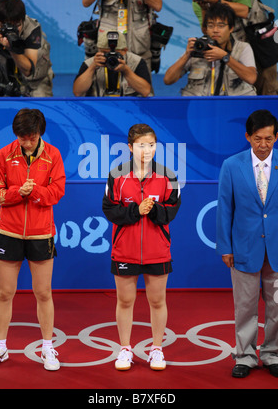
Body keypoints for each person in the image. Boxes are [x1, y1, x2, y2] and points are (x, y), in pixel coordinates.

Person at [0, 108, 66, 371]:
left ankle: (48, 347)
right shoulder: (4, 155)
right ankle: (0, 347)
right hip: (9, 232)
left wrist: (36, 192)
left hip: (41, 234)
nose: (26, 142)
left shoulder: (53, 156)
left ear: (39, 132)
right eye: (22, 137)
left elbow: (57, 191)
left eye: (30, 137)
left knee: (43, 292)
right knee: (5, 293)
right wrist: (19, 192)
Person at [102, 124, 181, 371]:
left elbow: (172, 210)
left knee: (157, 300)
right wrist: (136, 211)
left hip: (158, 250)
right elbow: (109, 209)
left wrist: (154, 210)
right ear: (130, 147)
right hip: (125, 249)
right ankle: (125, 348)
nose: (146, 151)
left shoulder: (169, 176)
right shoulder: (116, 175)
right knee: (125, 300)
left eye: (151, 145)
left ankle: (156, 348)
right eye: (141, 146)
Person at [216, 109, 278, 378]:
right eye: (257, 138)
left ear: (276, 137)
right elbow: (224, 209)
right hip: (243, 248)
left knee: (277, 307)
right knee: (245, 306)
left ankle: (273, 353)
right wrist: (225, 247)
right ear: (247, 137)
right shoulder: (231, 166)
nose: (263, 144)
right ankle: (245, 355)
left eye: (268, 138)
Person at [187, 0, 278, 95]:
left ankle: (270, 115)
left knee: (267, 85)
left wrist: (216, 1)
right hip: (235, 47)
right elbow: (206, 30)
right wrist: (204, 8)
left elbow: (244, 11)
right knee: (239, 87)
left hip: (259, 41)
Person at [164, 2, 257, 96]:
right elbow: (168, 80)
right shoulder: (198, 47)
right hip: (200, 106)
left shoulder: (242, 48)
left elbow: (251, 78)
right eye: (211, 26)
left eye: (221, 26)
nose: (215, 30)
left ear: (231, 28)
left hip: (231, 106)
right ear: (206, 29)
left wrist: (225, 57)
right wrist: (187, 55)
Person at [0, 0, 53, 102]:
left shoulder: (32, 29)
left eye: (17, 25)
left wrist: (12, 49)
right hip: (2, 79)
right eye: (5, 25)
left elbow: (28, 71)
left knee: (41, 112)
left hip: (34, 83)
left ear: (22, 19)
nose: (12, 29)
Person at [73, 29, 151, 97]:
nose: (110, 56)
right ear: (98, 50)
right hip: (99, 107)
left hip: (129, 108)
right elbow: (77, 92)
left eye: (116, 53)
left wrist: (127, 71)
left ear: (125, 50)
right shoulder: (90, 63)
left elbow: (145, 92)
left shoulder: (136, 62)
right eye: (105, 53)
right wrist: (92, 68)